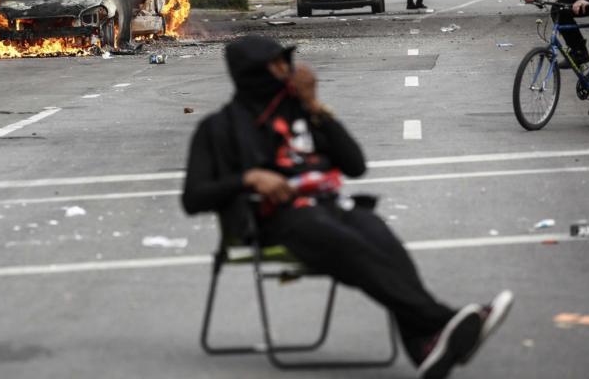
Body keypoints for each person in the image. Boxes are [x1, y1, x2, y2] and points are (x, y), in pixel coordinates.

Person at [182, 35, 514, 379]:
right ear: (253, 73)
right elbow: (193, 198)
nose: (289, 70)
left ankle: (427, 347)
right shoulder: (219, 127)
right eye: (278, 64)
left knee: (378, 234)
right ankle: (443, 321)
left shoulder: (302, 111)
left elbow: (355, 164)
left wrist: (315, 107)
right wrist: (249, 178)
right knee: (346, 243)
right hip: (274, 218)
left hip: (331, 204)